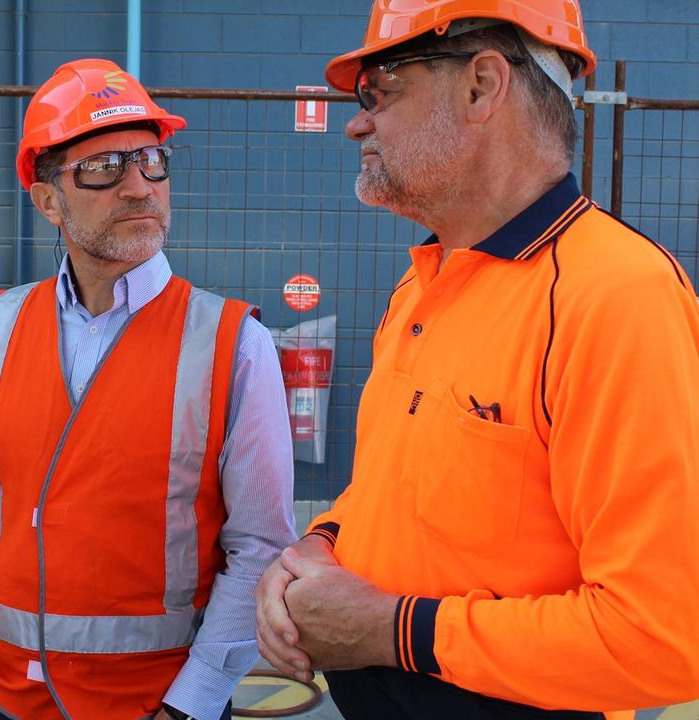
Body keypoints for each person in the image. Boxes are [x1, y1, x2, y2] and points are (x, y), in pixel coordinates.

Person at [255, 1, 699, 718]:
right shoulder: (426, 280)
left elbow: (662, 639)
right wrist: (320, 548)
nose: (356, 121)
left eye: (381, 88)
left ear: (481, 86)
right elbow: (399, 499)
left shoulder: (617, 298)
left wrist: (391, 631)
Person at [0, 58, 296, 720]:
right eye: (103, 168)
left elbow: (260, 546)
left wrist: (194, 702)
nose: (138, 187)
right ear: (46, 201)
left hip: (155, 703)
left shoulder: (233, 343)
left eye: (152, 160)